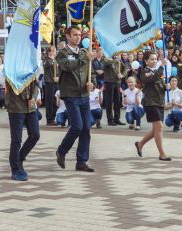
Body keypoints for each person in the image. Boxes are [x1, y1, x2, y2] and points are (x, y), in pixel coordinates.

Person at [55, 26, 96, 173]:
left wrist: (92, 83)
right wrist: (84, 58)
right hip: (70, 94)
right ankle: (61, 151)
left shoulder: (84, 53)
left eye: (79, 35)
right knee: (77, 126)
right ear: (67, 36)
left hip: (84, 95)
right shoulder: (62, 53)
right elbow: (67, 66)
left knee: (86, 128)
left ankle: (81, 161)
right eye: (74, 35)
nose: (78, 37)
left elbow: (90, 73)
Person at [135, 50, 171, 161]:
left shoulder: (156, 71)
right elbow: (152, 79)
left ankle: (140, 144)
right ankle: (162, 153)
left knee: (156, 129)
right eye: (152, 59)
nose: (154, 61)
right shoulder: (144, 72)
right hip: (150, 103)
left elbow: (158, 84)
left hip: (159, 102)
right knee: (159, 127)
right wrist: (162, 66)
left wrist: (166, 87)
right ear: (146, 61)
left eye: (155, 59)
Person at [6, 78, 41, 181]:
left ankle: (19, 157)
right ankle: (15, 169)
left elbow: (35, 86)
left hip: (31, 107)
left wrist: (33, 98)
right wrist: (26, 96)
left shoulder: (30, 67)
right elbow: (12, 87)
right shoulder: (12, 68)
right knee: (16, 139)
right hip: (16, 107)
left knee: (35, 135)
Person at [103, 54, 126, 126]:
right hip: (109, 82)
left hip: (117, 82)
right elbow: (106, 64)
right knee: (109, 101)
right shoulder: (106, 57)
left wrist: (122, 75)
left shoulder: (119, 59)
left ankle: (117, 119)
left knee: (117, 101)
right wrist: (115, 60)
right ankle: (110, 120)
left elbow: (124, 68)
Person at [43, 46, 58, 125]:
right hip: (49, 83)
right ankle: (49, 119)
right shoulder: (47, 60)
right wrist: (51, 59)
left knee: (55, 101)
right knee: (50, 101)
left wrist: (58, 77)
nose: (53, 52)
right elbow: (47, 65)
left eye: (54, 51)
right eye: (51, 51)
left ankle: (54, 117)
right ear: (49, 52)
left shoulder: (55, 60)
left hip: (56, 83)